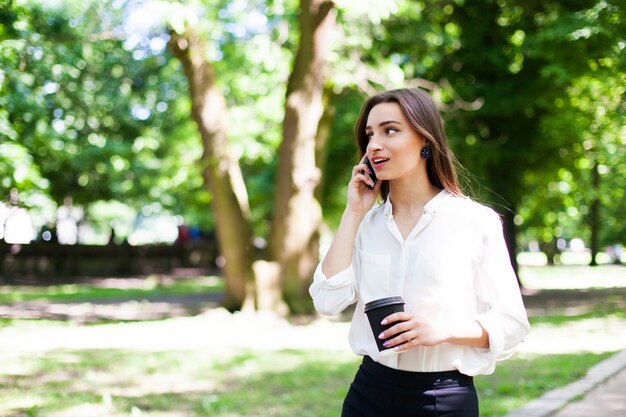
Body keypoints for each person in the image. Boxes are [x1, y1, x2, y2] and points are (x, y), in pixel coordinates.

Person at [309, 88, 530, 417]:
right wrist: (353, 212)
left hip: (442, 399)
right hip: (368, 394)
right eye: (370, 135)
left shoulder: (475, 222)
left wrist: (442, 330)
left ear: (425, 139)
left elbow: (512, 324)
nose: (374, 145)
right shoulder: (363, 224)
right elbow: (327, 301)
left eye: (390, 130)